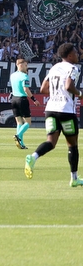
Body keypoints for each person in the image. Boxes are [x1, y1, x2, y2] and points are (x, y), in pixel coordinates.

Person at [24, 43, 83, 186]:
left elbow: (43, 89)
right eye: (75, 52)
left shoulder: (55, 67)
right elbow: (69, 86)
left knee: (51, 142)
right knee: (72, 145)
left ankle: (33, 157)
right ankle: (74, 178)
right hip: (66, 111)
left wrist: (57, 93)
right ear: (69, 55)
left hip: (50, 110)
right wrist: (80, 94)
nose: (78, 54)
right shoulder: (73, 68)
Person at [9, 58, 38, 149]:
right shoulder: (24, 76)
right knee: (28, 123)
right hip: (22, 100)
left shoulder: (12, 75)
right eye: (25, 65)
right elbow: (26, 90)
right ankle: (18, 135)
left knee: (19, 122)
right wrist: (34, 99)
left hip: (13, 99)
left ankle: (21, 143)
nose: (27, 67)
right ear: (20, 65)